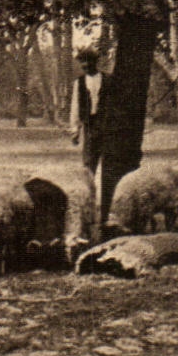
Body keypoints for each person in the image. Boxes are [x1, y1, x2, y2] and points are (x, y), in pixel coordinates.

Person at [70, 49, 108, 235]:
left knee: (108, 165)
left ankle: (107, 207)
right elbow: (75, 107)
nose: (85, 66)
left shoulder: (108, 80)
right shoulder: (79, 83)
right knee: (88, 167)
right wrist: (75, 130)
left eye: (87, 62)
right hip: (90, 127)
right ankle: (89, 204)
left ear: (95, 62)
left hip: (107, 126)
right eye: (82, 63)